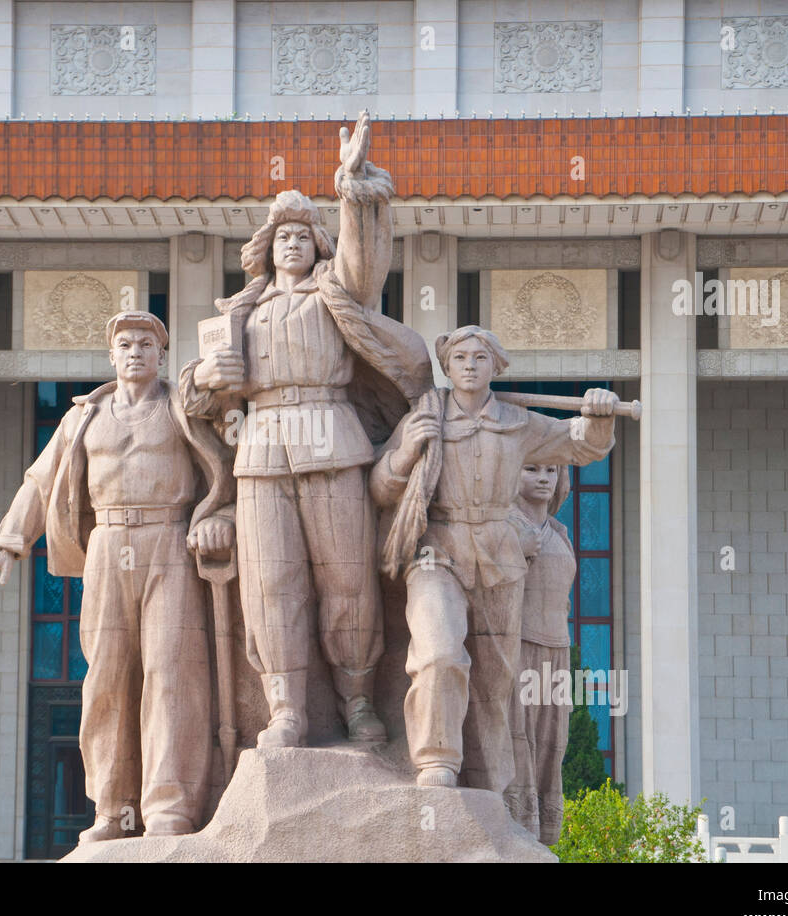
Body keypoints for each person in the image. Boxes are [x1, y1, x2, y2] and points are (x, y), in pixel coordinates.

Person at [180, 112, 431, 748]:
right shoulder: (238, 313)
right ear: (265, 248)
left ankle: (356, 699)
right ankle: (285, 705)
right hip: (261, 453)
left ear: (317, 243)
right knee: (272, 584)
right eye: (282, 235)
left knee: (347, 579)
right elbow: (194, 397)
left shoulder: (335, 294)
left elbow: (362, 258)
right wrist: (209, 374)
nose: (292, 242)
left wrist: (349, 187)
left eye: (302, 234)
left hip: (333, 440)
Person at [0, 311, 236, 842]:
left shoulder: (182, 407)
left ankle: (168, 805)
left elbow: (229, 467)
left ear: (161, 355)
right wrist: (9, 541)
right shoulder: (83, 418)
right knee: (106, 680)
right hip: (108, 546)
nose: (135, 351)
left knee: (171, 673)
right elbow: (41, 482)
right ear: (111, 356)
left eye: (146, 344)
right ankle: (114, 810)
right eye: (124, 344)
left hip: (169, 541)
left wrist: (220, 519)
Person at [369, 326, 618, 794]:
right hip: (435, 550)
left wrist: (599, 416)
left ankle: (489, 788)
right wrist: (404, 454)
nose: (468, 364)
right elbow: (380, 489)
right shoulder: (424, 417)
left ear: (495, 366)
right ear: (447, 367)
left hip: (498, 557)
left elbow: (579, 443)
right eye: (459, 357)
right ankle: (436, 761)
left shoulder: (518, 423)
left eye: (479, 357)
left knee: (494, 679)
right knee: (439, 653)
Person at [506, 463, 574, 844]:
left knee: (553, 743)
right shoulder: (506, 525)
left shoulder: (560, 533)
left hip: (558, 651)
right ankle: (516, 828)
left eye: (551, 470)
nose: (544, 478)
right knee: (520, 739)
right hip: (520, 647)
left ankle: (543, 839)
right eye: (531, 468)